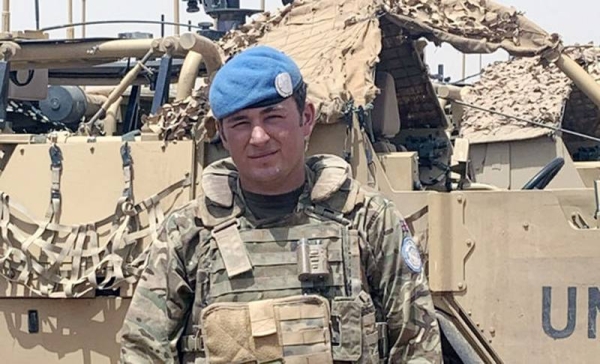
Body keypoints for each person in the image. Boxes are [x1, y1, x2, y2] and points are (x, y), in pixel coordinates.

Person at [119, 45, 442, 363]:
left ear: (306, 118)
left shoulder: (368, 219)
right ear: (222, 134)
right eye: (240, 123)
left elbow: (416, 345)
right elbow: (143, 349)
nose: (258, 137)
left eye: (273, 117)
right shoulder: (188, 232)